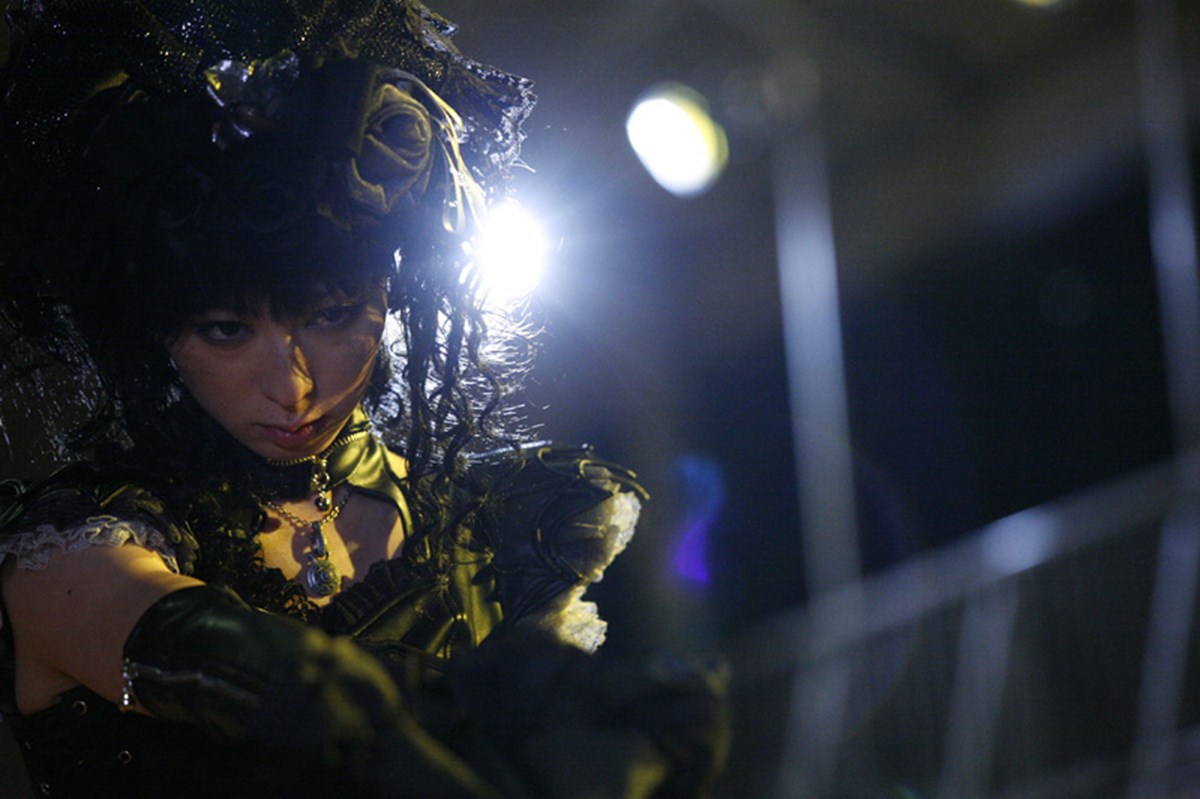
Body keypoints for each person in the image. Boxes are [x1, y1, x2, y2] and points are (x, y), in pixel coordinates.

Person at [0, 2, 726, 796]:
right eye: (226, 330)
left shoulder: (494, 529)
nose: (292, 387)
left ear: (393, 291)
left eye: (333, 316)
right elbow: (297, 700)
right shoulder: (71, 557)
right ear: (156, 332)